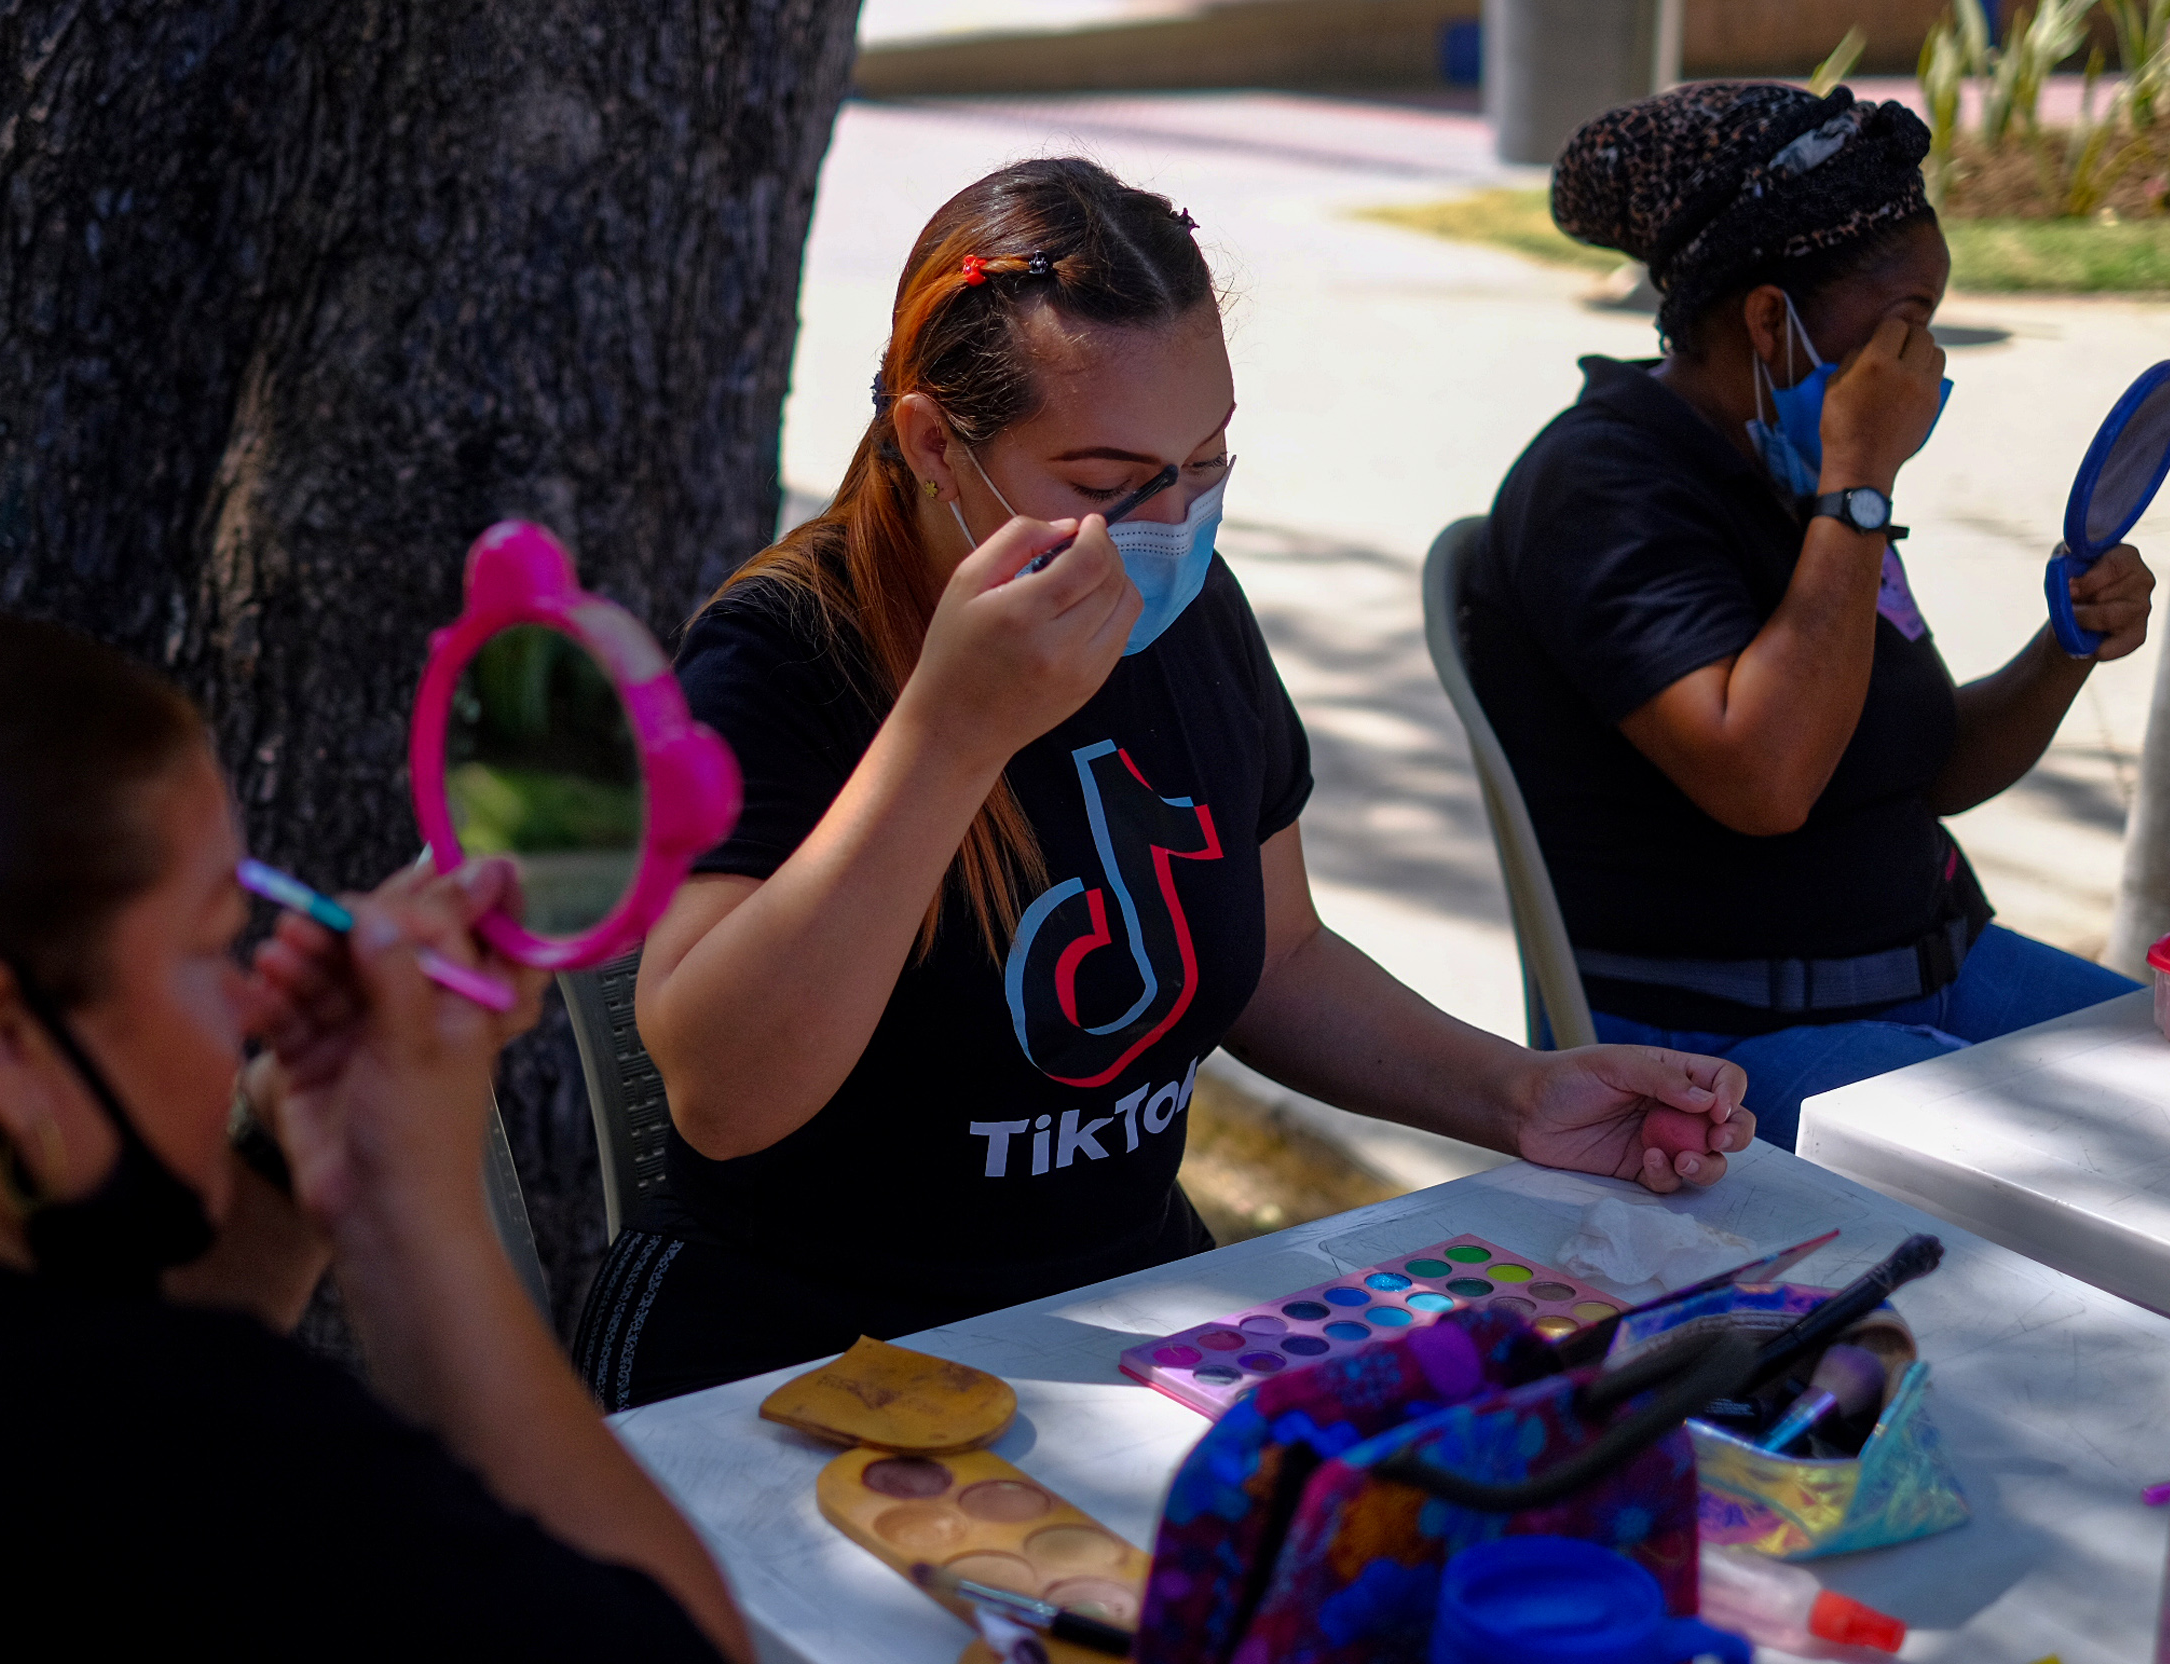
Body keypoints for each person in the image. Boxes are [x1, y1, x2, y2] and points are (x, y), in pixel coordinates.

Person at [571, 156, 1756, 1413]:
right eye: (1105, 485)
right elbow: (722, 1096)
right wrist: (950, 736)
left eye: (1206, 464)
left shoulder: (1176, 612)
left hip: (1122, 1319)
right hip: (803, 1354)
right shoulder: (784, 652)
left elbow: (1280, 954)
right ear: (934, 443)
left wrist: (1517, 1092)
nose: (1172, 522)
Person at [0, 611, 744, 1656]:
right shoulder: (179, 1455)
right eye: (212, 947)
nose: (251, 1002)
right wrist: (412, 1210)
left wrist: (292, 1151)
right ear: (2, 1042)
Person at [1468, 83, 2152, 1153]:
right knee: (2085, 1175)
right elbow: (1765, 778)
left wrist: (2064, 648)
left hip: (1941, 967)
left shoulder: (1802, 483)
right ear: (1766, 319)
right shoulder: (1603, 486)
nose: (1923, 368)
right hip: (1726, 1038)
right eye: (1903, 326)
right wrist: (1860, 487)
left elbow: (1926, 773)